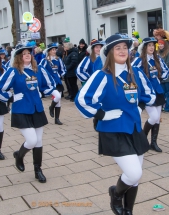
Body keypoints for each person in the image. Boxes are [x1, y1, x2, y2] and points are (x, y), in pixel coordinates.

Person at [75, 34, 156, 215]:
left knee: (136, 177)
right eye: (117, 48)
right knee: (133, 173)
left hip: (134, 130)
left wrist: (140, 107)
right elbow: (82, 100)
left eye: (125, 48)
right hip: (113, 131)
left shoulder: (135, 73)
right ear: (110, 52)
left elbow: (149, 93)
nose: (122, 51)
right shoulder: (102, 75)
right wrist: (102, 113)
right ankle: (116, 194)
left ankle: (128, 211)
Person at [0, 42, 54, 183]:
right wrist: (11, 97)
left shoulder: (37, 70)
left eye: (29, 53)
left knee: (38, 141)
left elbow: (49, 84)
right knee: (31, 140)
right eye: (24, 54)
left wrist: (47, 92)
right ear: (18, 57)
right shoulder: (13, 71)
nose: (27, 55)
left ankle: (38, 170)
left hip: (37, 109)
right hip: (21, 109)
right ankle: (19, 156)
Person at [132, 37, 169, 152]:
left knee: (157, 119)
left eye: (153, 45)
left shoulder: (157, 58)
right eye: (149, 45)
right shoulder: (139, 60)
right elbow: (131, 72)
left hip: (157, 91)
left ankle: (153, 142)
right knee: (154, 117)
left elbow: (166, 70)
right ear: (144, 47)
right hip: (146, 93)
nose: (152, 47)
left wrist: (159, 77)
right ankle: (142, 139)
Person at [40, 43, 66, 125]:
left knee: (59, 100)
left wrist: (60, 75)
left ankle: (57, 119)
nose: (54, 51)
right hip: (50, 83)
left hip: (58, 81)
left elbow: (63, 69)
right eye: (52, 50)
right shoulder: (45, 60)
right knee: (57, 96)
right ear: (49, 51)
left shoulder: (58, 59)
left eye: (55, 50)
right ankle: (51, 107)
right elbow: (40, 69)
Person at [158, 39, 169, 112]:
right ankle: (164, 106)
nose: (160, 45)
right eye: (159, 44)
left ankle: (167, 107)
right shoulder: (157, 53)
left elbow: (167, 64)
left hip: (167, 76)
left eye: (162, 44)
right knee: (162, 92)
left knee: (168, 93)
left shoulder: (167, 53)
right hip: (160, 77)